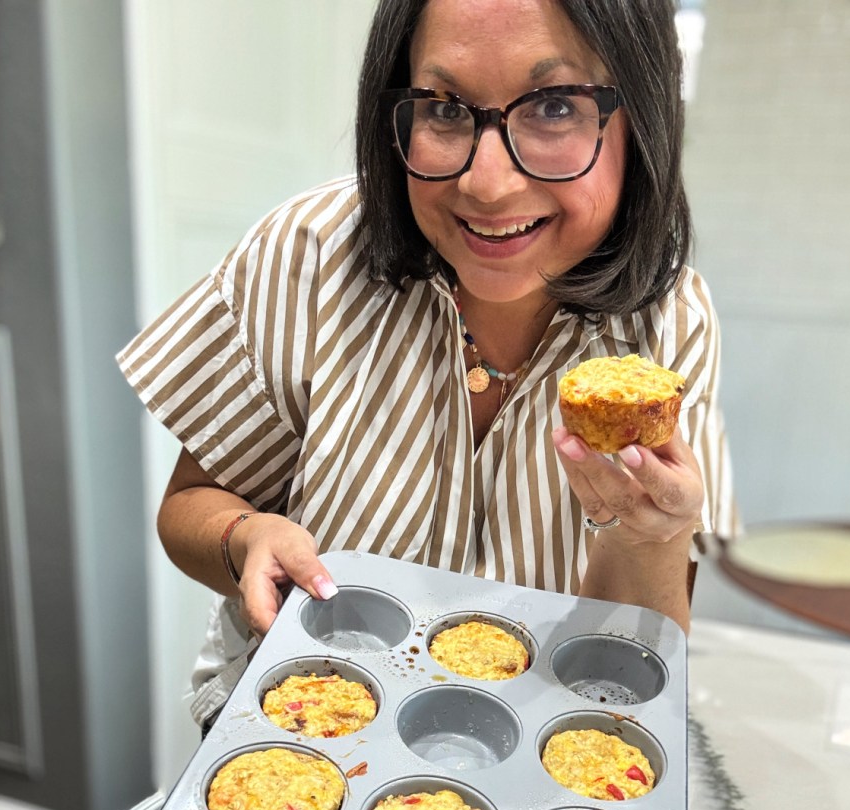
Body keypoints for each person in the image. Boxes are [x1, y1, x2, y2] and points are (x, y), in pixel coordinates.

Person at [118, 0, 736, 729]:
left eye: (556, 107)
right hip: (308, 728)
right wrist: (248, 537)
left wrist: (647, 535)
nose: (488, 183)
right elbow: (189, 507)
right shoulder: (305, 256)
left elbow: (637, 653)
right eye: (444, 108)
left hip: (535, 751)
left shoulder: (671, 322)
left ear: (643, 120)